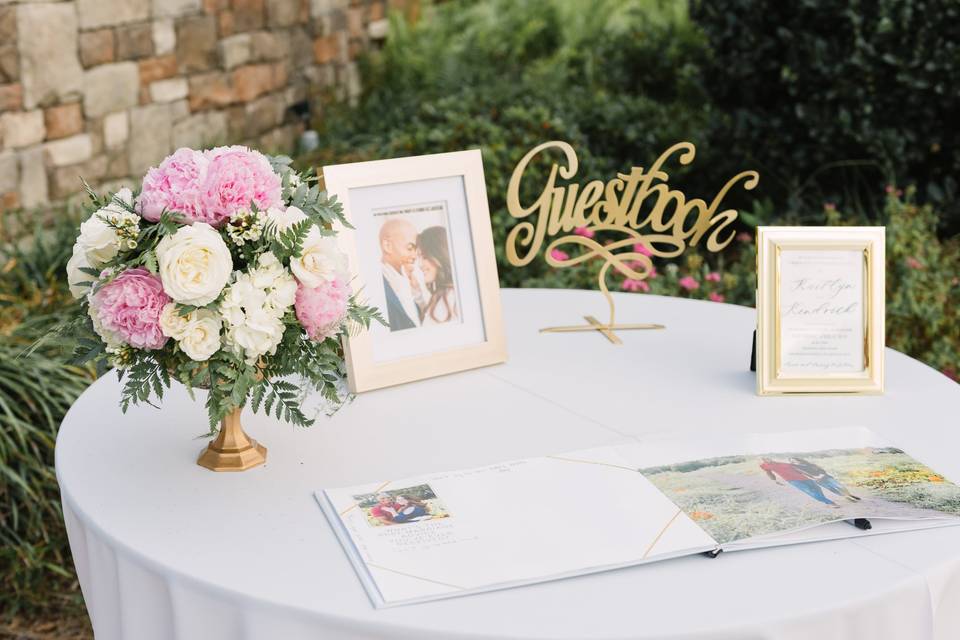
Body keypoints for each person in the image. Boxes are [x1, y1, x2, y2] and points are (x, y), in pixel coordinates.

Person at [379, 219, 427, 331]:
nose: (415, 256)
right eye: (410, 248)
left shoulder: (409, 280)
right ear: (387, 246)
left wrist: (417, 293)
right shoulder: (377, 284)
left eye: (416, 249)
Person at [417, 226, 459, 325]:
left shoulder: (450, 298)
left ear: (440, 255)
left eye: (424, 257)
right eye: (419, 257)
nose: (420, 264)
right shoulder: (444, 295)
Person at [759, 457, 839, 507]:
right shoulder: (765, 466)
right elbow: (769, 473)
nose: (768, 459)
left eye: (768, 458)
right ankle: (829, 502)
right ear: (763, 460)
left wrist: (813, 475)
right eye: (765, 459)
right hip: (793, 481)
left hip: (804, 477)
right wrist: (774, 480)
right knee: (809, 491)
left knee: (817, 488)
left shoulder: (784, 463)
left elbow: (800, 469)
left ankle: (824, 499)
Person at [790, 457, 861, 501]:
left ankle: (849, 494)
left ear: (798, 460)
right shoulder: (798, 469)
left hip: (826, 477)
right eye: (791, 461)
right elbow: (804, 475)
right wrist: (814, 478)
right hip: (818, 480)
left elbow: (822, 470)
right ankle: (846, 497)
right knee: (832, 489)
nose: (793, 462)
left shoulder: (810, 464)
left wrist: (821, 475)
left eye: (794, 460)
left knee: (840, 486)